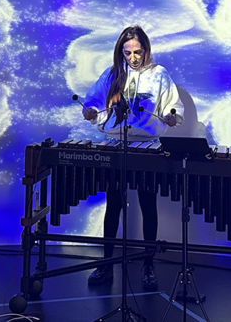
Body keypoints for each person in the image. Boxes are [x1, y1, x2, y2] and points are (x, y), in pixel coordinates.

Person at [81, 25, 183, 290]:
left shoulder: (160, 74)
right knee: (113, 204)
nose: (133, 58)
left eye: (137, 52)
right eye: (128, 53)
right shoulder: (113, 74)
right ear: (121, 52)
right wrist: (91, 111)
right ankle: (105, 265)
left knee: (147, 204)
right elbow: (93, 101)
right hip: (116, 144)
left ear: (146, 49)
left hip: (147, 146)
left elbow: (173, 105)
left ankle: (148, 265)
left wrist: (173, 116)